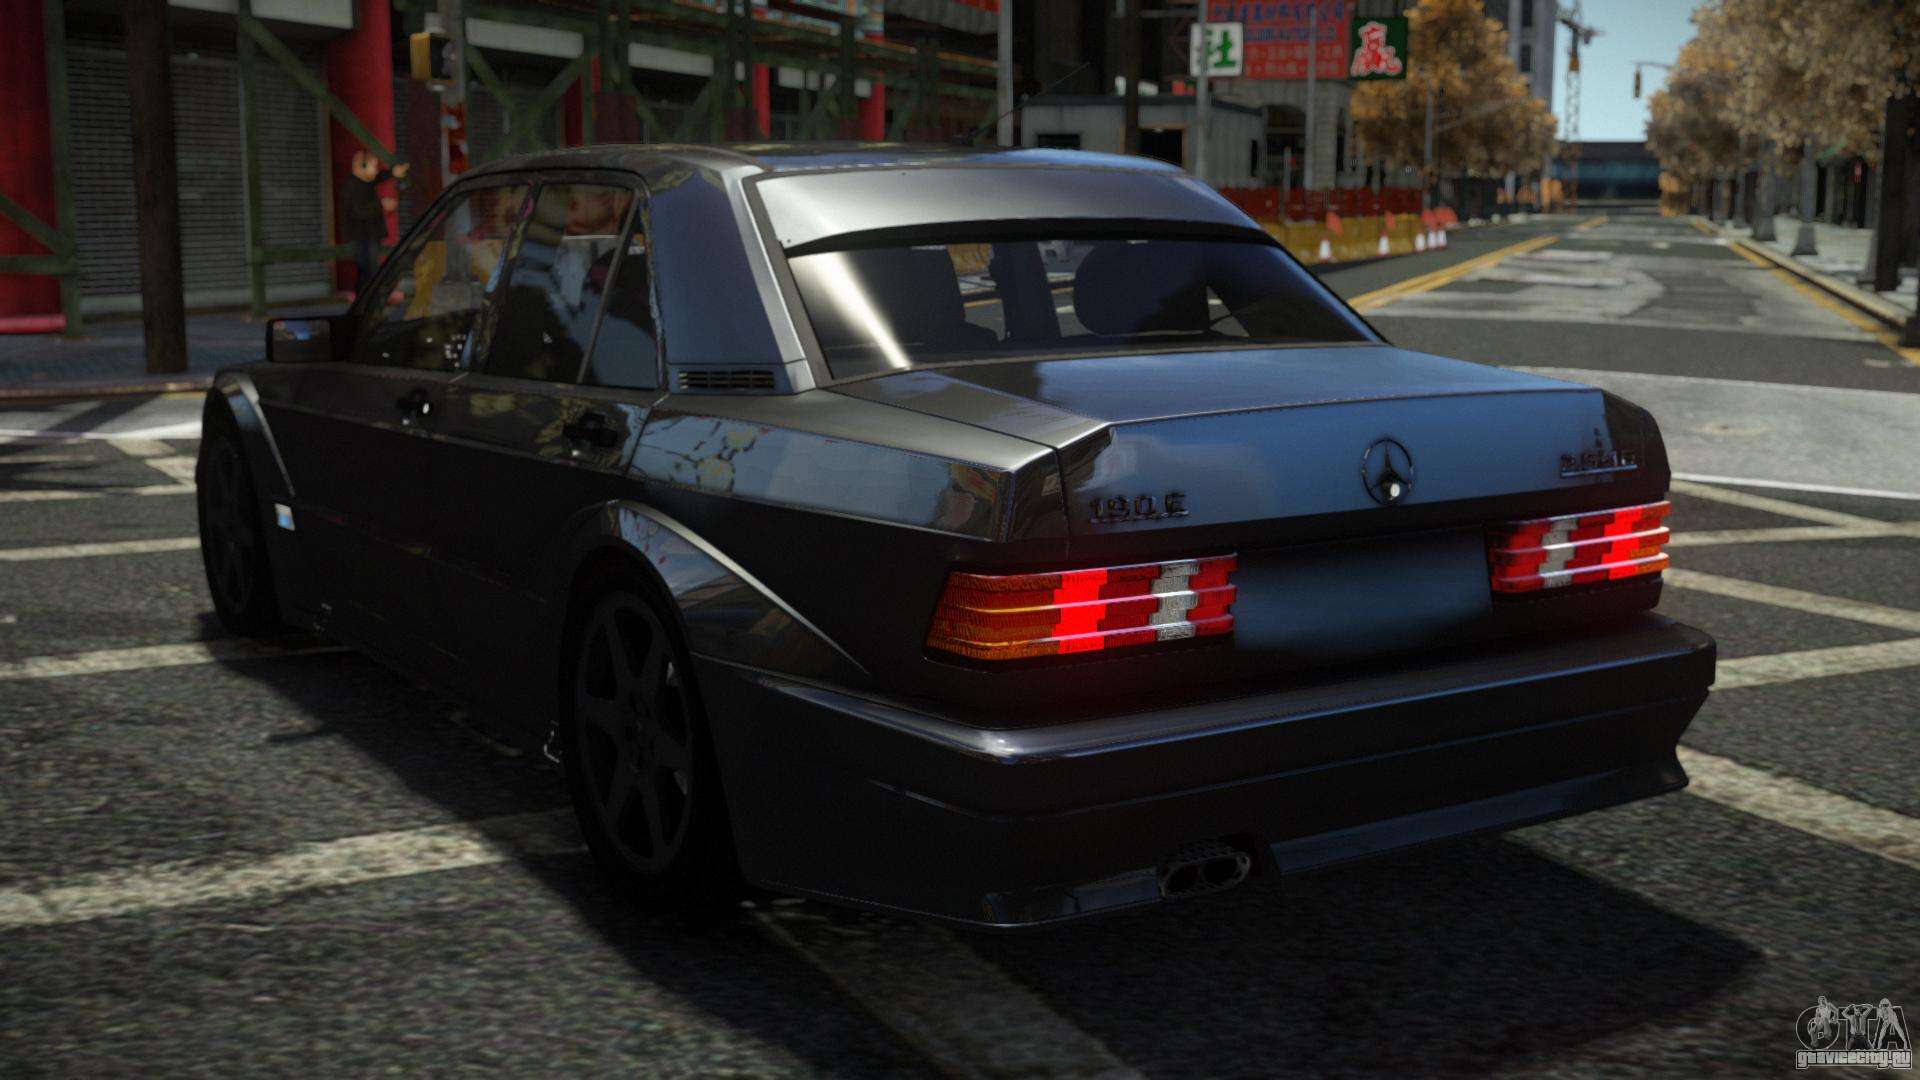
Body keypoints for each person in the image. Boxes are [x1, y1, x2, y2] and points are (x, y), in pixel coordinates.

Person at [339, 150, 410, 298]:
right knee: (369, 269)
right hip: (362, 235)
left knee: (368, 269)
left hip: (368, 234)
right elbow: (359, 211)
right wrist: (381, 205)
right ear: (362, 167)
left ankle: (366, 298)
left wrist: (393, 172)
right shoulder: (351, 187)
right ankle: (369, 298)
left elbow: (378, 177)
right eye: (373, 166)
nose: (376, 170)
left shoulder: (364, 181)